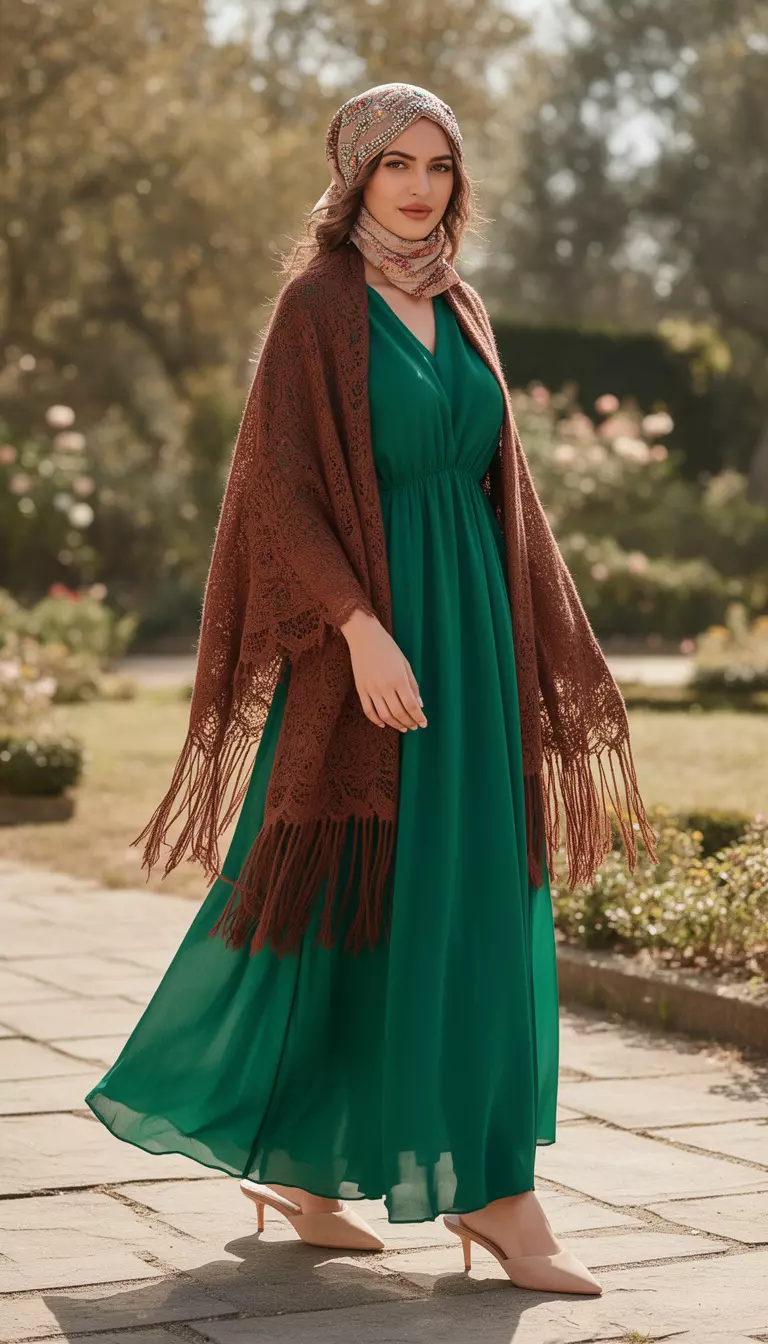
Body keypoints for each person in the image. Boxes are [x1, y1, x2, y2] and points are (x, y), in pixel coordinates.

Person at [86, 82, 656, 1297]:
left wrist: (544, 648)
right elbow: (278, 493)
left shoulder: (463, 302)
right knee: (343, 904)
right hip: (372, 660)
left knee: (475, 904)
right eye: (395, 163)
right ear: (353, 175)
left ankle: (480, 1184)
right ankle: (347, 1164)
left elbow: (505, 491)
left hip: (474, 642)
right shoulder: (317, 308)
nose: (418, 185)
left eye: (439, 164)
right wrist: (357, 631)